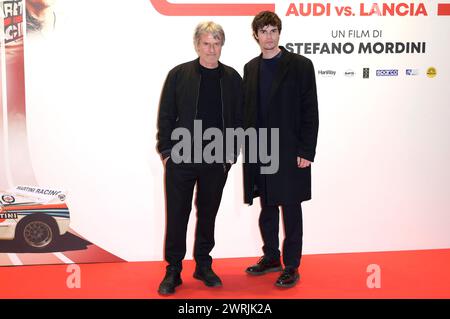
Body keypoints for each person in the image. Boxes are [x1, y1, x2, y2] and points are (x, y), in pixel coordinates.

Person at [156, 21, 242, 295]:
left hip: (216, 160)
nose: (211, 49)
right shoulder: (179, 75)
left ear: (222, 46)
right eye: (207, 43)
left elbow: (239, 119)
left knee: (208, 215)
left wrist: (231, 155)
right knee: (177, 215)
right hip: (181, 158)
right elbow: (166, 115)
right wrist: (167, 151)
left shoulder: (232, 78)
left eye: (216, 43)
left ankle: (203, 265)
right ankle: (173, 270)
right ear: (197, 45)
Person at [242, 11, 319, 288]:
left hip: (289, 149)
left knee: (290, 207)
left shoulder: (300, 65)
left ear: (279, 33)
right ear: (256, 35)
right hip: (261, 149)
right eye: (263, 31)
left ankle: (292, 265)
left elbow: (311, 110)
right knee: (267, 207)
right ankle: (271, 257)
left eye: (273, 30)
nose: (269, 36)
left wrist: (306, 150)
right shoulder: (250, 68)